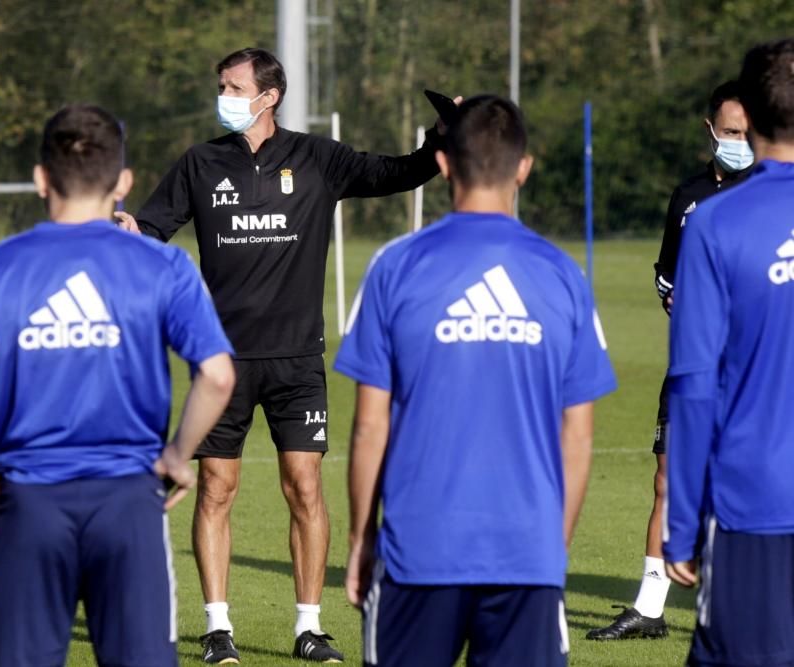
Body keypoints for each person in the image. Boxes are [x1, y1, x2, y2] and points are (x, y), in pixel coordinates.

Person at [119, 47, 456, 664]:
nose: (223, 94)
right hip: (221, 363)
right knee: (217, 488)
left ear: (268, 96)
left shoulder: (318, 157)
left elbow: (397, 173)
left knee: (304, 487)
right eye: (222, 84)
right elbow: (150, 230)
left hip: (298, 359)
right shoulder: (200, 162)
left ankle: (309, 626)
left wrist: (441, 140)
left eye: (234, 85)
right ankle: (217, 627)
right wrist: (117, 228)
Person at [0, 105, 236, 666]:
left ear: (41, 178)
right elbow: (217, 374)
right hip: (130, 504)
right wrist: (179, 456)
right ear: (124, 183)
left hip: (30, 507)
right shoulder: (165, 266)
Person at [336, 95, 617, 667]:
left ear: (442, 163)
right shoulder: (564, 275)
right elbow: (579, 438)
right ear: (524, 168)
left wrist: (360, 539)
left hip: (419, 550)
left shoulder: (394, 266)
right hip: (527, 553)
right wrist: (550, 549)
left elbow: (370, 427)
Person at [586, 80, 754, 641]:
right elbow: (666, 274)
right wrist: (678, 299)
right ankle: (650, 607)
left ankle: (743, 604)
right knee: (668, 480)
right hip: (694, 367)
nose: (740, 141)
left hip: (759, 372)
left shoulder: (777, 196)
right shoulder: (688, 198)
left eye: (748, 132)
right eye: (731, 132)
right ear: (711, 131)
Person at [665, 39, 794, 666]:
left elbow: (694, 386)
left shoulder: (716, 223)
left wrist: (681, 524)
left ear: (749, 111)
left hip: (753, 504)